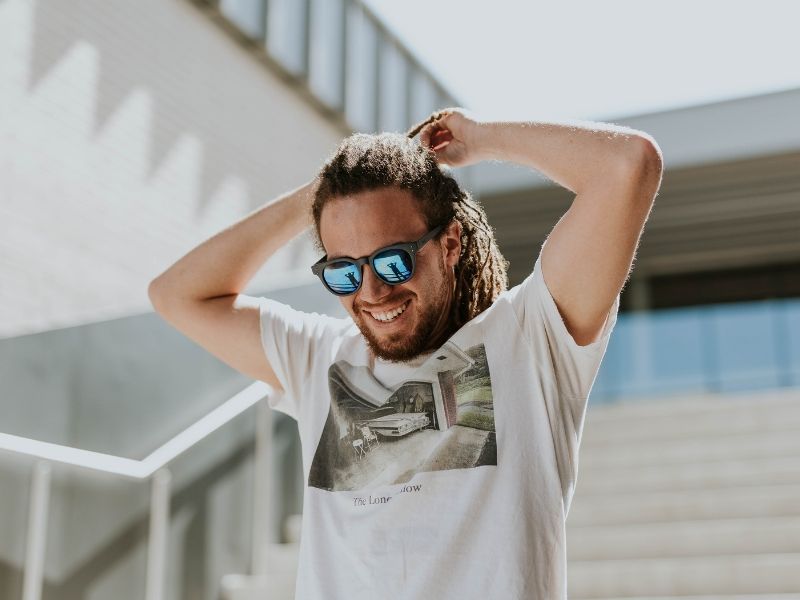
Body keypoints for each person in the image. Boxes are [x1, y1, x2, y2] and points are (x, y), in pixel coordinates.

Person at [148, 108, 663, 599]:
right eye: (344, 271)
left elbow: (628, 165)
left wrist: (482, 138)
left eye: (393, 262)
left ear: (451, 243)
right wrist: (317, 196)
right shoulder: (318, 358)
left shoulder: (531, 339)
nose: (372, 292)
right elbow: (176, 294)